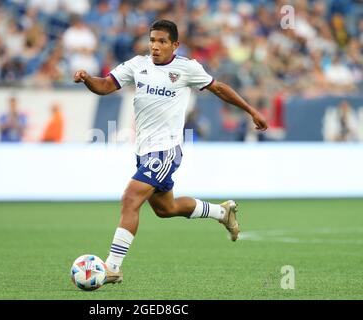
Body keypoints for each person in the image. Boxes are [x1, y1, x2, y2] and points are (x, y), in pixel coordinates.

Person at [74, 20, 267, 284]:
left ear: (174, 44)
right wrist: (87, 79)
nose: (155, 46)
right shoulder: (137, 65)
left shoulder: (186, 68)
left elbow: (219, 88)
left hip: (165, 150)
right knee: (166, 208)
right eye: (152, 40)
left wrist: (251, 111)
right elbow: (105, 86)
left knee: (130, 198)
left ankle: (113, 267)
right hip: (144, 151)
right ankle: (222, 213)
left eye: (162, 41)